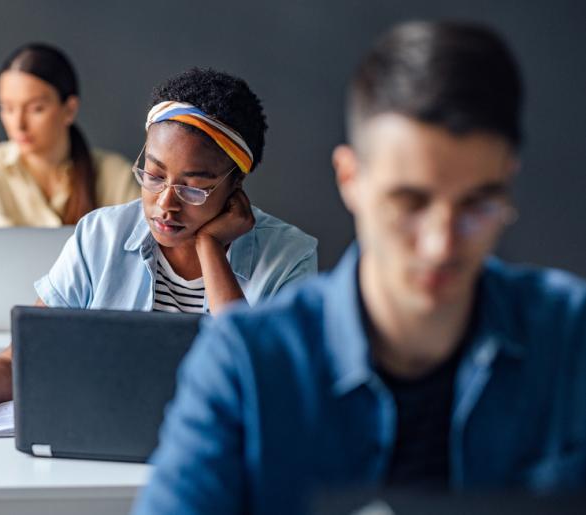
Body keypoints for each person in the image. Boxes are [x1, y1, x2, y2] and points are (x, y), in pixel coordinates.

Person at [135, 21, 586, 514]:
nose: (439, 245)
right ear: (350, 179)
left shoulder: (570, 337)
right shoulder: (245, 364)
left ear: (507, 181)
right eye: (409, 202)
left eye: (478, 205)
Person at [0, 68, 318, 427]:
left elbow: (266, 383)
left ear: (235, 185)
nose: (165, 203)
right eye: (153, 174)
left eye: (194, 188)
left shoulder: (290, 257)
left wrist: (211, 248)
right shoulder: (101, 235)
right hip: (107, 443)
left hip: (226, 454)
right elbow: (25, 360)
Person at [0, 43, 139, 309]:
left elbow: (146, 268)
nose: (18, 123)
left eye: (36, 109)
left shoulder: (115, 176)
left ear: (69, 109)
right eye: (7, 108)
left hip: (88, 333)